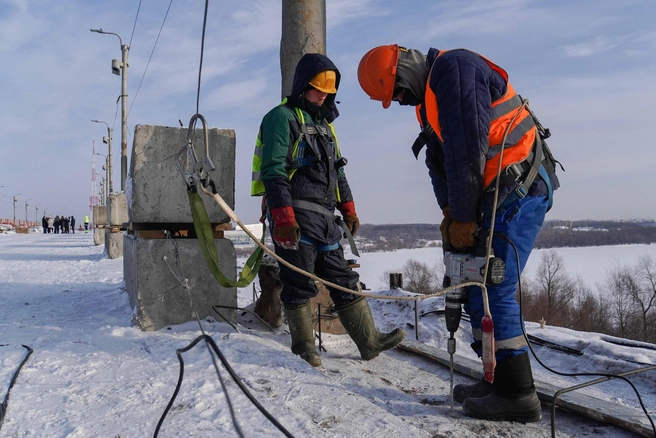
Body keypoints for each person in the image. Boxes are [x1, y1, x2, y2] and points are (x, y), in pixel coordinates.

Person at [357, 45, 560, 422]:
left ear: (404, 72)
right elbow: (441, 163)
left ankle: (518, 394)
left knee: (493, 287)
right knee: (472, 286)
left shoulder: (454, 70)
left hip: (519, 189)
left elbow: (467, 152)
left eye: (398, 93)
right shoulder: (429, 100)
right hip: (494, 194)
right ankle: (496, 378)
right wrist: (451, 213)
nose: (401, 102)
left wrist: (464, 219)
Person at [252, 53, 406, 367]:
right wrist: (282, 217)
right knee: (298, 282)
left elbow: (339, 172)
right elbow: (273, 170)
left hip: (324, 217)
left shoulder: (323, 125)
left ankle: (369, 341)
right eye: (317, 88)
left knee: (343, 279)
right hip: (295, 213)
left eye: (328, 90)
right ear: (301, 85)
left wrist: (348, 209)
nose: (323, 94)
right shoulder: (281, 118)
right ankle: (305, 349)